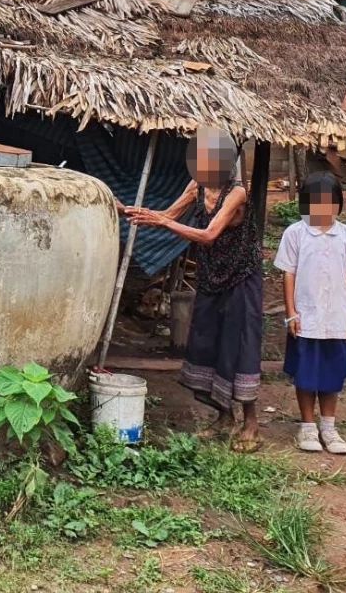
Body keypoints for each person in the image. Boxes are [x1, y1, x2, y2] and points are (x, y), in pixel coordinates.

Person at [125, 127, 264, 452]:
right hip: (212, 276)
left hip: (242, 277)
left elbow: (208, 235)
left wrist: (163, 223)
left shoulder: (237, 193)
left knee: (240, 344)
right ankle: (224, 419)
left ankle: (252, 425)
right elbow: (169, 215)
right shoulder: (197, 186)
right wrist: (130, 212)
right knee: (207, 341)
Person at [274, 172, 346, 455]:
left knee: (332, 374)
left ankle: (329, 426)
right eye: (316, 204)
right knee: (305, 374)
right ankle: (307, 426)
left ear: (338, 204)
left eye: (329, 203)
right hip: (307, 317)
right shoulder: (295, 233)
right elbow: (288, 274)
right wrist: (292, 313)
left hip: (337, 318)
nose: (323, 210)